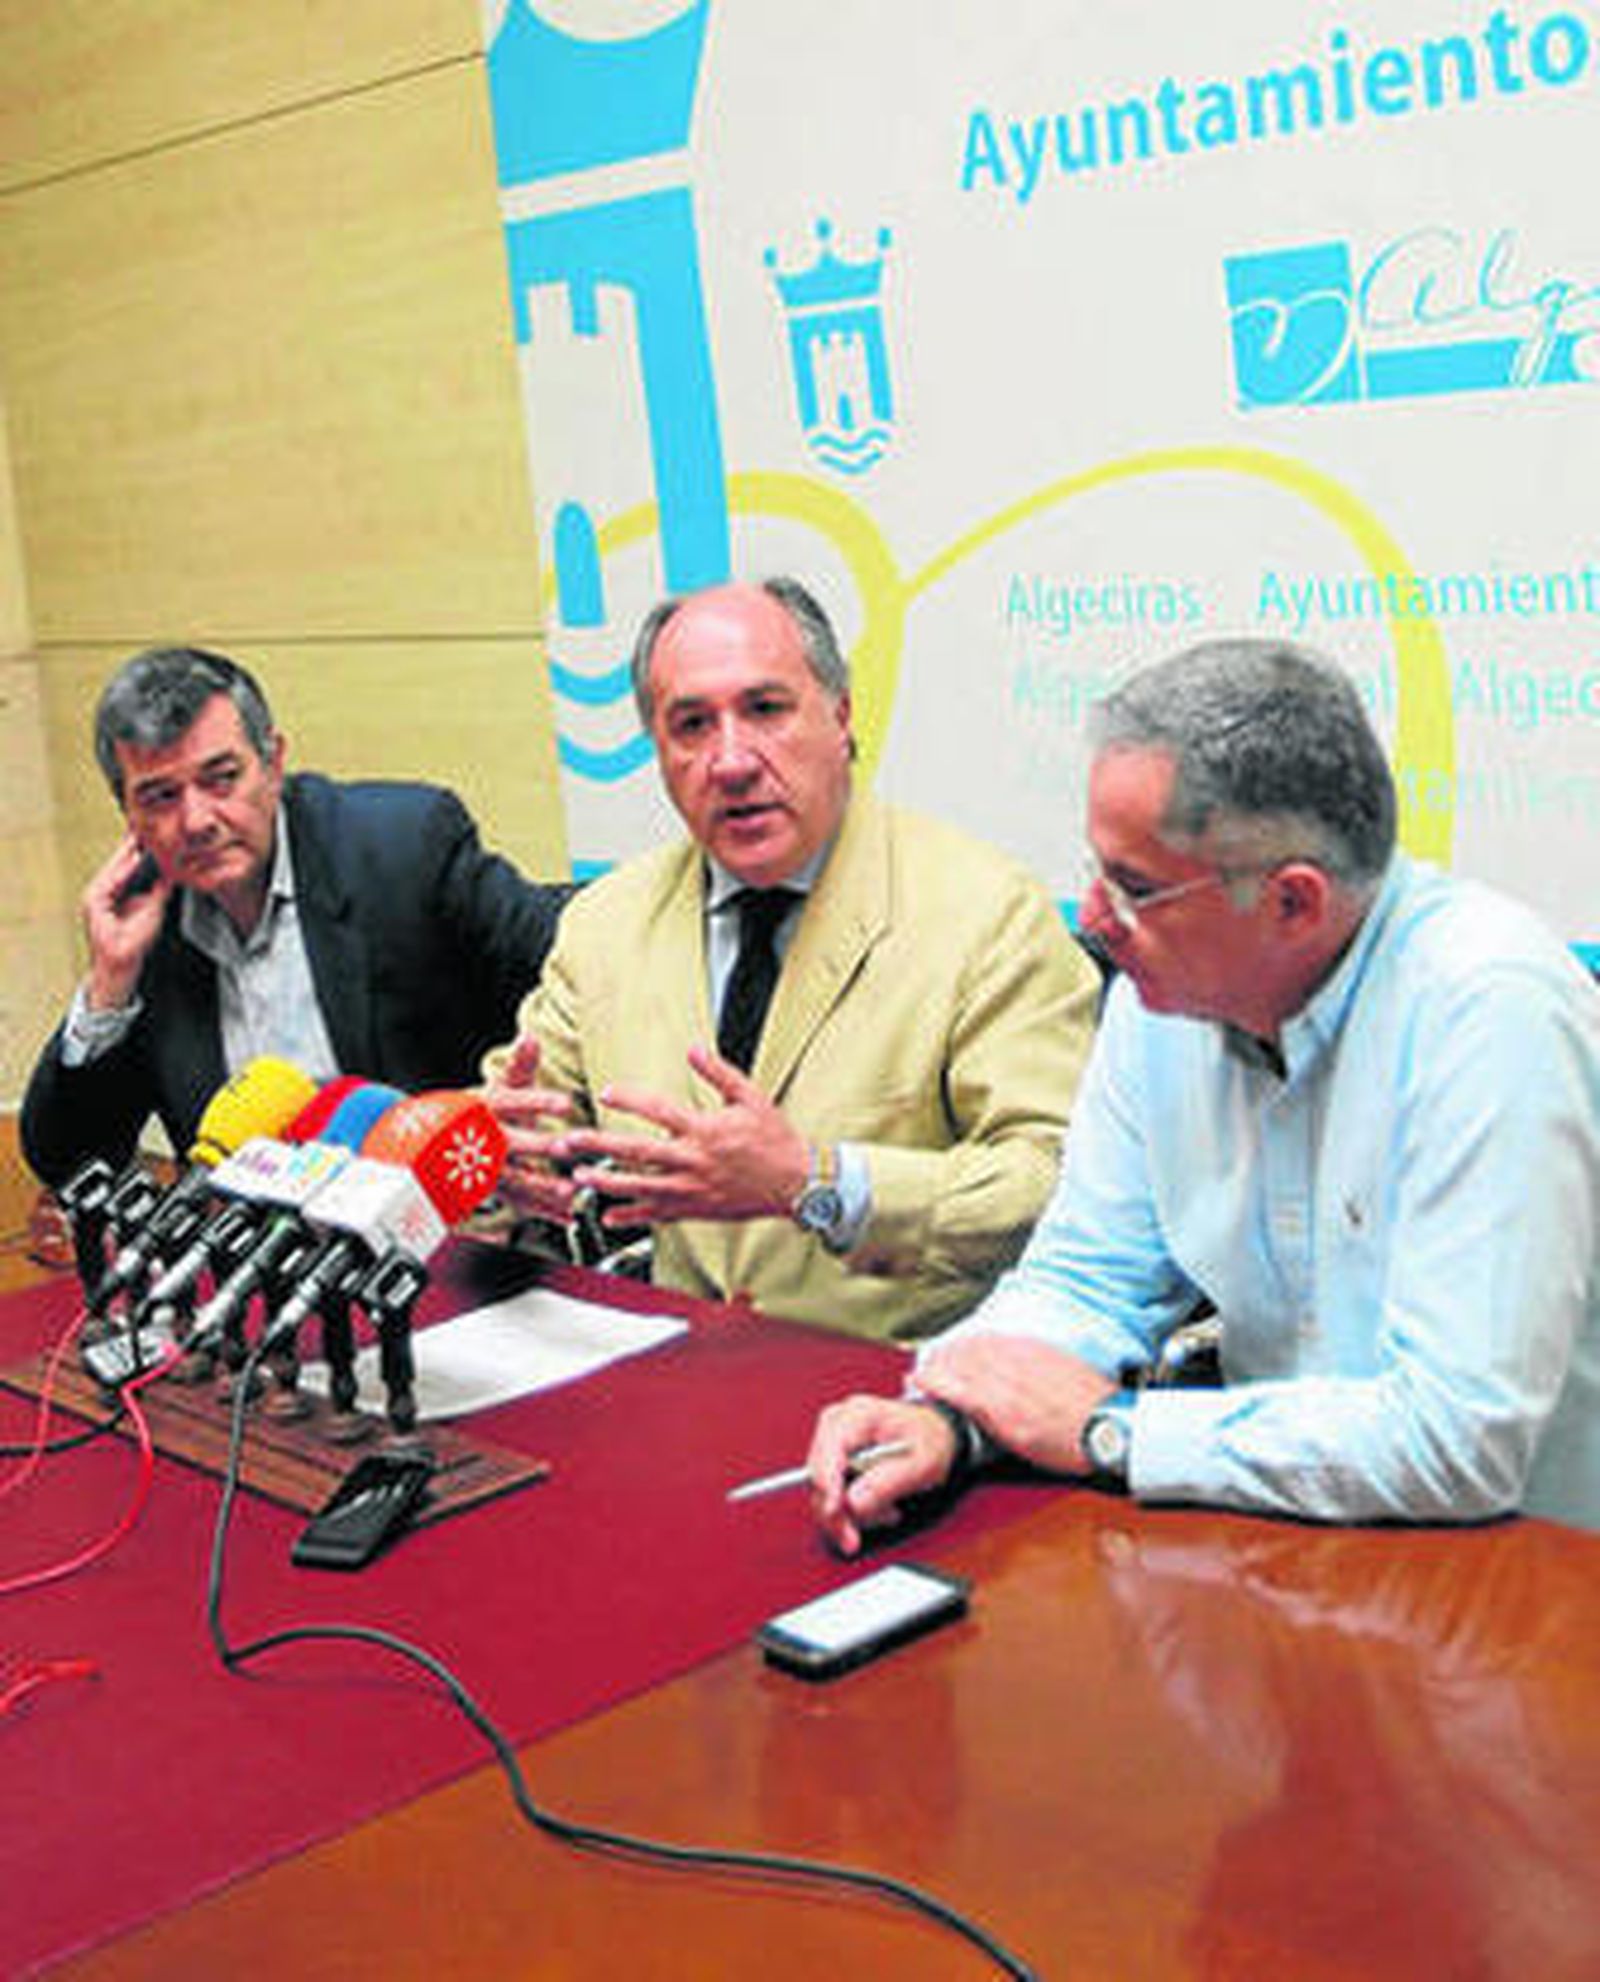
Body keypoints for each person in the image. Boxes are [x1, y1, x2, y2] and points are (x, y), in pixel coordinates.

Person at [809, 636, 1600, 1543]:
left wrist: (1114, 1432)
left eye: (1135, 887)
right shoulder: (1162, 1000)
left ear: (1293, 903)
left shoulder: (1491, 1009)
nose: (1096, 920)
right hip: (1286, 1543)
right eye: (1097, 870)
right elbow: (1087, 1275)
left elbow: (1457, 1440)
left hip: (1529, 1581)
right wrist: (954, 1412)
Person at [483, 576, 1100, 1339]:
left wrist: (817, 1183)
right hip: (681, 1370)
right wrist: (502, 1161)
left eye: (765, 710)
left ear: (841, 718)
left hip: (908, 1389)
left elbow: (1054, 1183)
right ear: (658, 753)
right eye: (692, 725)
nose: (732, 760)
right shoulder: (605, 922)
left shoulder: (987, 912)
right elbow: (514, 1119)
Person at [22, 644, 575, 1187]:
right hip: (258, 1254)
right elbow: (69, 1162)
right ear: (128, 814)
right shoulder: (146, 929)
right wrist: (108, 987)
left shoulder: (403, 848)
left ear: (274, 762)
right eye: (161, 796)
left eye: (221, 778)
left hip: (446, 1233)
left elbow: (577, 969)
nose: (196, 821)